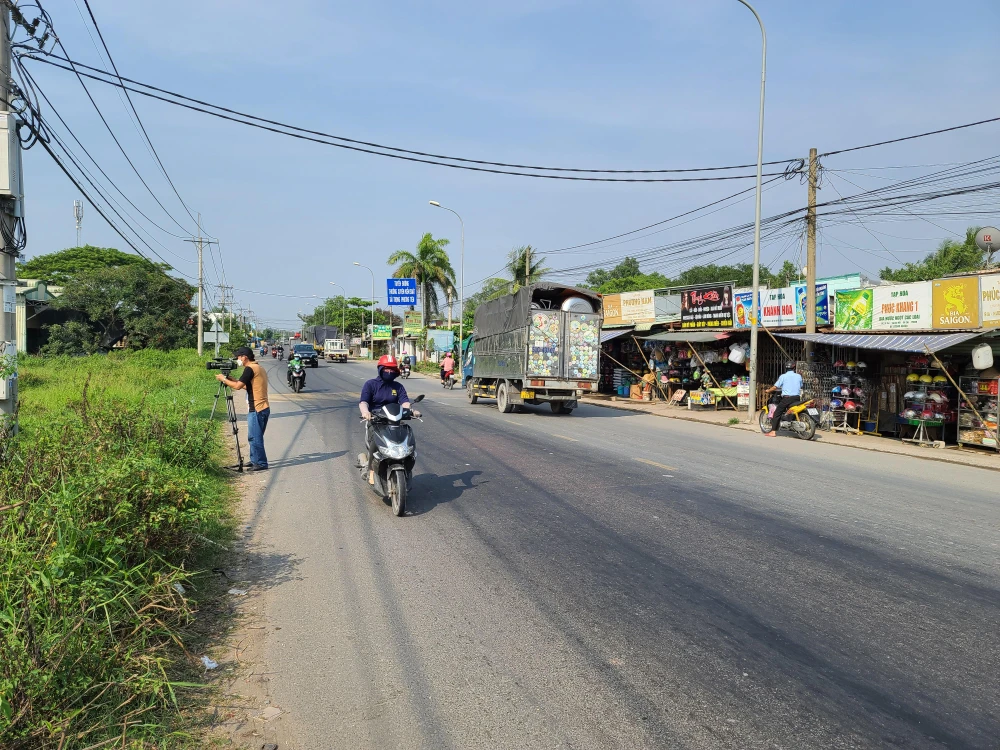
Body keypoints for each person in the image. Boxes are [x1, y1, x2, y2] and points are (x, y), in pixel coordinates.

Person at [216, 346, 270, 470]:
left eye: (238, 357)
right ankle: (254, 460)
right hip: (263, 407)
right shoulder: (258, 367)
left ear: (244, 357)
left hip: (257, 408)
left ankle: (261, 463)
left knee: (254, 437)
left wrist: (223, 379)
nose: (237, 359)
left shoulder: (249, 369)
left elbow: (238, 387)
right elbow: (248, 387)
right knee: (255, 436)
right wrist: (233, 380)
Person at [764, 362, 803, 437]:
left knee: (777, 413)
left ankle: (773, 431)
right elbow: (801, 385)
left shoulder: (783, 376)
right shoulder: (798, 376)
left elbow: (775, 387)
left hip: (787, 398)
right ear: (794, 368)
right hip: (797, 398)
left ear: (786, 368)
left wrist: (768, 391)